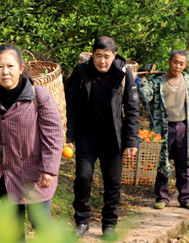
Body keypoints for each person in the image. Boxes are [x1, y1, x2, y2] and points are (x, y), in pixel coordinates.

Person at [0, 44, 63, 241]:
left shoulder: (39, 97)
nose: (5, 72)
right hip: (5, 172)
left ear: (21, 68)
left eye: (10, 66)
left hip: (34, 172)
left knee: (40, 221)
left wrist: (49, 168)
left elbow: (53, 134)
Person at [65, 36, 140, 241]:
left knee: (113, 183)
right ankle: (81, 222)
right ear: (92, 55)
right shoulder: (81, 72)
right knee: (83, 177)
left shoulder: (124, 74)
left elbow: (132, 110)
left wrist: (132, 141)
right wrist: (68, 137)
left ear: (114, 55)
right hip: (86, 135)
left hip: (112, 137)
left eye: (107, 56)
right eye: (98, 56)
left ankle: (109, 225)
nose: (102, 61)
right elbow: (70, 106)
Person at [138, 50, 189, 211]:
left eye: (181, 63)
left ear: (185, 65)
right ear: (169, 61)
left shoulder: (187, 80)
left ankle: (186, 198)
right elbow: (144, 95)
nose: (178, 66)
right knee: (162, 163)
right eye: (175, 62)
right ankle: (162, 198)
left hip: (183, 127)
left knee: (184, 163)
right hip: (161, 129)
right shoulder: (157, 81)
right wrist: (143, 77)